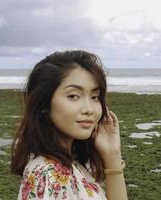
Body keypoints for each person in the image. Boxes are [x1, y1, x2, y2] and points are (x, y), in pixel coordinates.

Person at [10, 50, 128, 200]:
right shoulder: (50, 176)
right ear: (44, 103)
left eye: (94, 97)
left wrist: (112, 155)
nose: (89, 109)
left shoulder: (70, 163)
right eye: (73, 96)